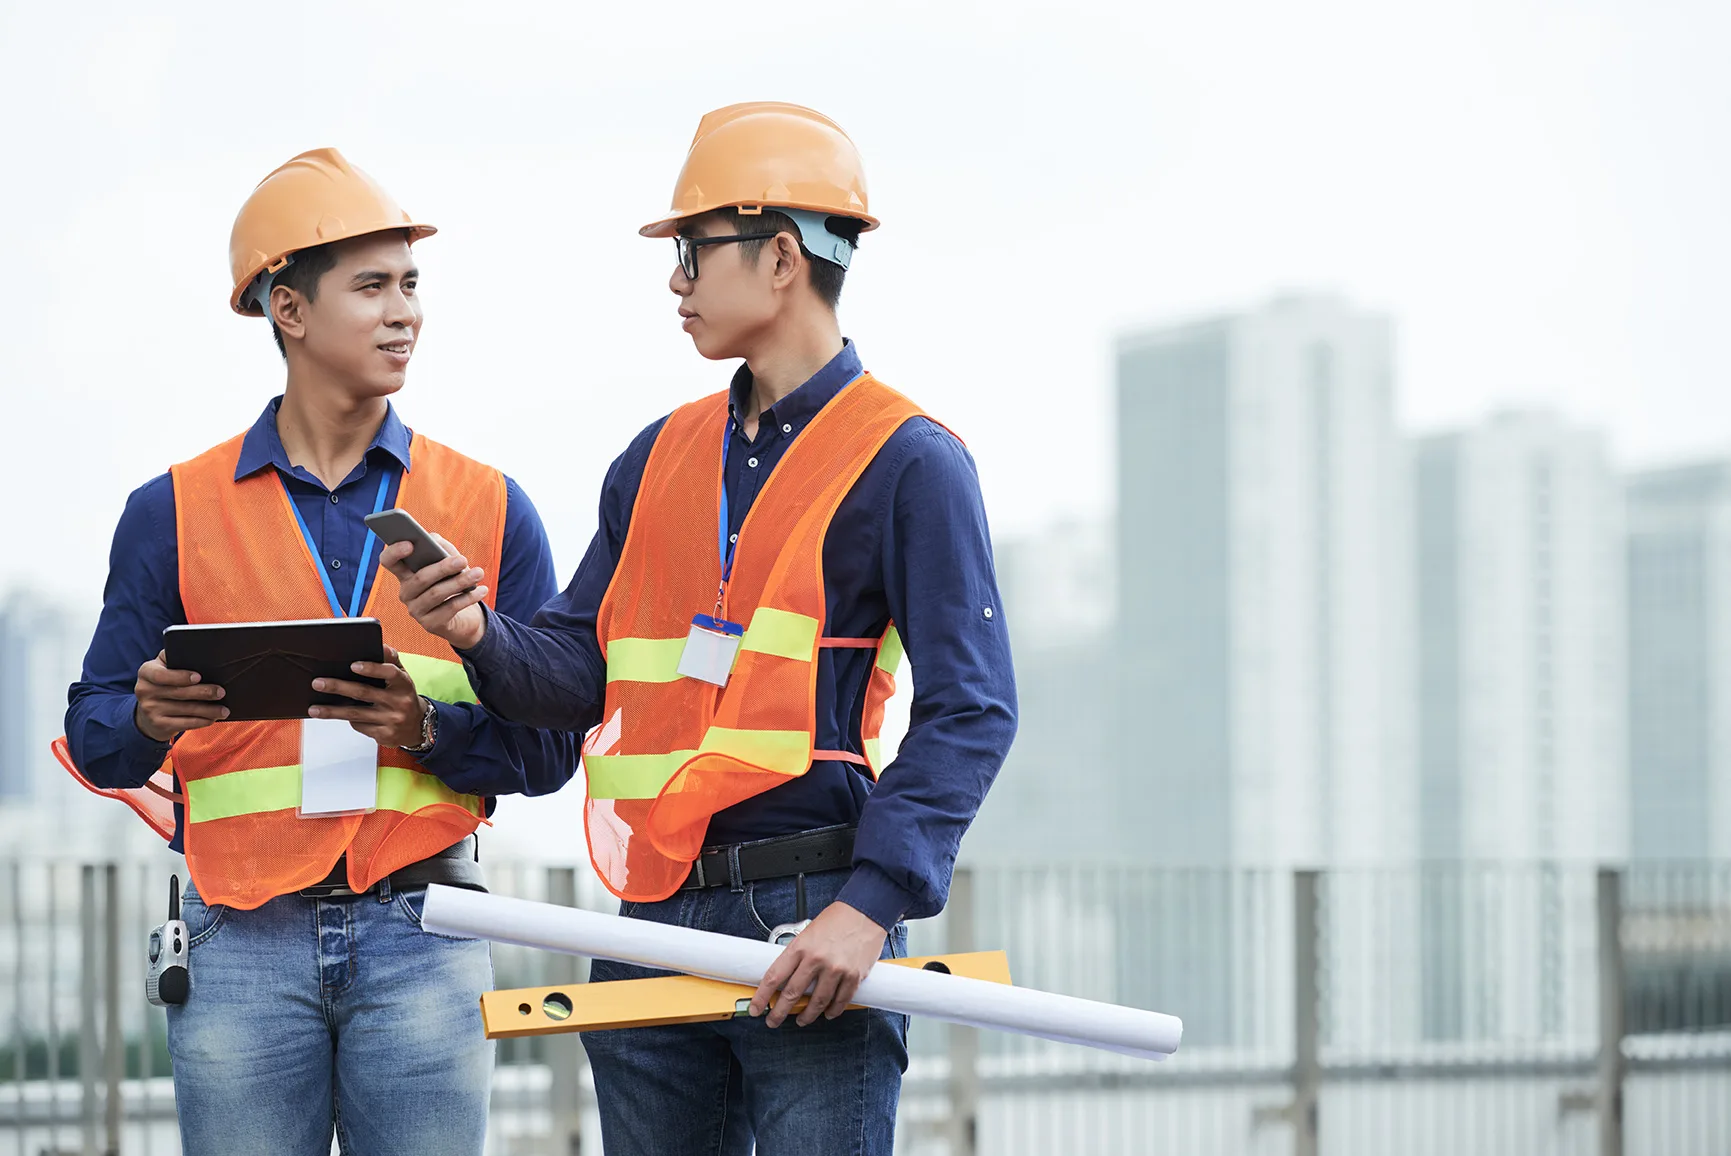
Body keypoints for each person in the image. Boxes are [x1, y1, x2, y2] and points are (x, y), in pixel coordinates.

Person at [388, 103, 1018, 1154]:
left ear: (781, 258)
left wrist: (868, 909)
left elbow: (972, 711)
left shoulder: (912, 462)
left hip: (815, 915)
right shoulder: (656, 459)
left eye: (691, 250)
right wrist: (475, 631)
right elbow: (575, 671)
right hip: (650, 914)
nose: (675, 282)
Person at [57, 148, 580, 1155]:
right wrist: (147, 719)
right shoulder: (170, 512)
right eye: (373, 285)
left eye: (412, 284)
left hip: (424, 931)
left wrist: (429, 731)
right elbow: (94, 732)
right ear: (288, 311)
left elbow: (553, 745)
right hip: (239, 942)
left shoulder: (488, 505)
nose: (406, 312)